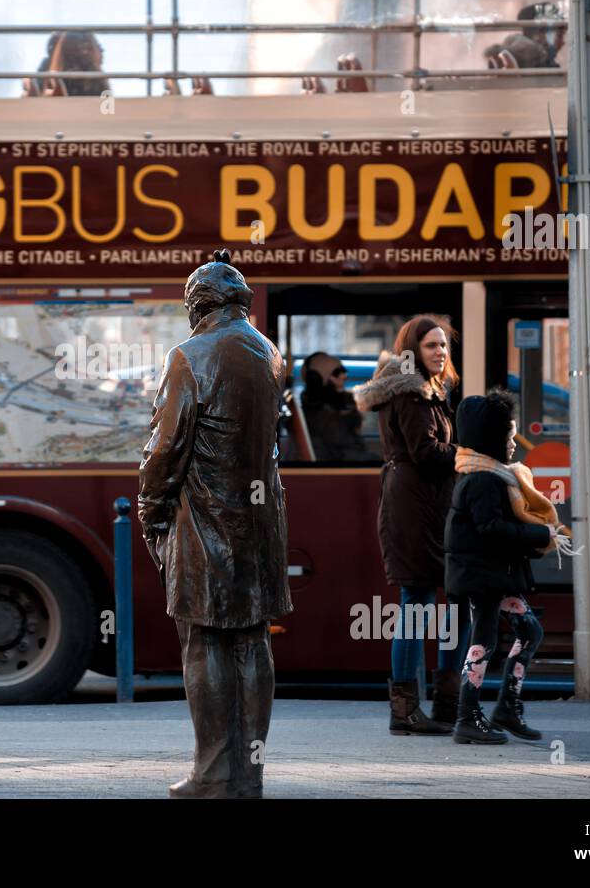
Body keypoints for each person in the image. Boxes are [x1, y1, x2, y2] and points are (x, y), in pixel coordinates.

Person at [138, 249, 291, 798]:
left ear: (197, 305)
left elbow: (164, 451)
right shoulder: (272, 355)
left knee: (204, 642)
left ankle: (213, 772)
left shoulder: (189, 356)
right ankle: (248, 775)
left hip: (205, 522)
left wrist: (150, 515)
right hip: (261, 524)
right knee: (252, 641)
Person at [353, 315, 469, 735]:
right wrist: (470, 454)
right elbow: (424, 451)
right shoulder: (412, 393)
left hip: (434, 506)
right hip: (414, 507)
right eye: (431, 346)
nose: (440, 352)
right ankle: (405, 712)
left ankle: (448, 701)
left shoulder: (432, 391)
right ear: (412, 352)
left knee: (456, 600)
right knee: (417, 601)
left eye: (444, 345)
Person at [444, 390, 556, 744]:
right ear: (491, 438)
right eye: (508, 435)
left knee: (528, 631)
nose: (513, 443)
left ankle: (506, 706)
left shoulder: (493, 475)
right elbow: (491, 530)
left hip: (494, 575)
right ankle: (467, 716)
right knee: (484, 640)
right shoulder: (482, 480)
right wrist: (539, 533)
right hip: (482, 577)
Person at [299, 352, 366, 462]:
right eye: (337, 372)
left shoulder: (328, 409)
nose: (344, 376)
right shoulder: (323, 416)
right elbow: (350, 450)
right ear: (317, 380)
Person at [485, 2, 565, 70]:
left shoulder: (545, 62)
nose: (563, 43)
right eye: (560, 36)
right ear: (538, 34)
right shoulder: (527, 60)